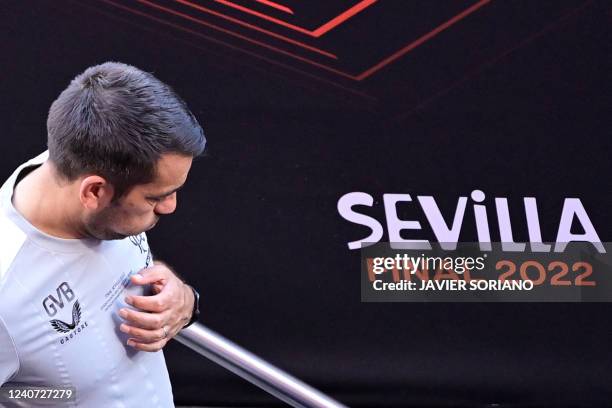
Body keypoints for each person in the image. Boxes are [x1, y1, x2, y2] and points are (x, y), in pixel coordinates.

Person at [0, 62, 205, 406]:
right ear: (94, 193)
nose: (171, 207)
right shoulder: (5, 290)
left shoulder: (85, 159)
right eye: (156, 197)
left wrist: (186, 302)